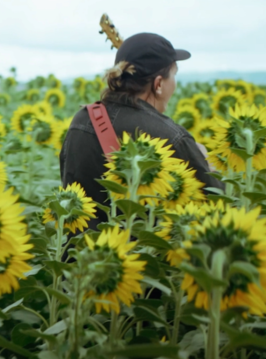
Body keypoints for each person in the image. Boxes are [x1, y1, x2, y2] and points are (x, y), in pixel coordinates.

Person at [60, 32, 224, 229]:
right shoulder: (171, 137)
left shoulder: (83, 119)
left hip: (78, 255)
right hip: (139, 257)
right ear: (159, 84)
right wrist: (208, 164)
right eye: (174, 75)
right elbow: (218, 205)